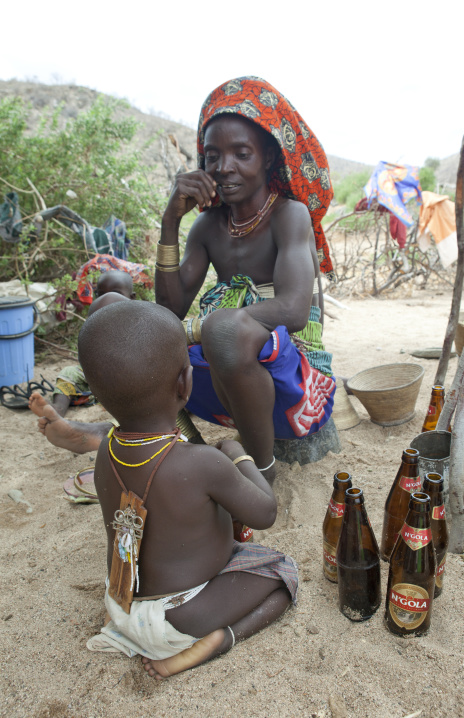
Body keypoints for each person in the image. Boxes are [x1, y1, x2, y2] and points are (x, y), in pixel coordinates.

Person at [31, 77, 337, 481]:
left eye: (241, 153)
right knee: (111, 311)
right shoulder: (208, 226)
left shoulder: (288, 215)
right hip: (221, 379)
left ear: (267, 158)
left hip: (292, 388)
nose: (224, 167)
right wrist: (171, 219)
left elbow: (295, 309)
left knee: (226, 329)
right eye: (213, 155)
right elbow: (168, 309)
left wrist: (198, 330)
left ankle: (262, 475)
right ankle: (165, 444)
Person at [81, 300, 297, 679]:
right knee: (283, 572)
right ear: (185, 382)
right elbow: (265, 513)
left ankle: (129, 629)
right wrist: (238, 455)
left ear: (99, 394)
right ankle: (215, 642)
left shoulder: (105, 451)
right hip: (180, 618)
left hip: (121, 601)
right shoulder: (202, 463)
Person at [51, 272, 135, 417]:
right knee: (69, 373)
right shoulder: (95, 318)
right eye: (101, 294)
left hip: (130, 377)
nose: (107, 298)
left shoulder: (138, 319)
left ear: (131, 298)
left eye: (115, 293)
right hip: (98, 378)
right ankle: (56, 410)